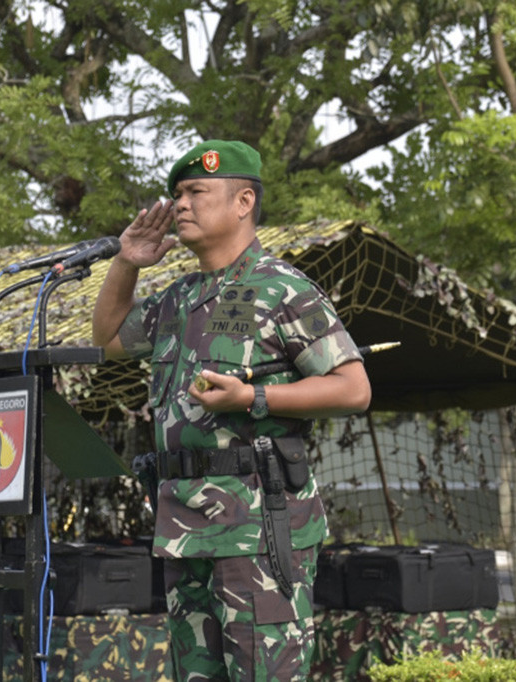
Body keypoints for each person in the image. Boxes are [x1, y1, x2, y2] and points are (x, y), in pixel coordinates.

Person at [92, 139, 371, 681]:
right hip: (185, 522)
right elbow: (106, 341)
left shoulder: (281, 289)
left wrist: (253, 398)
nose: (181, 206)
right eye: (177, 194)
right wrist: (126, 263)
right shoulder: (179, 298)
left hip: (258, 525)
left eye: (196, 191)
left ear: (243, 202)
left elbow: (353, 387)